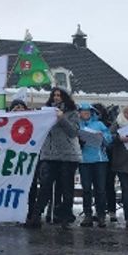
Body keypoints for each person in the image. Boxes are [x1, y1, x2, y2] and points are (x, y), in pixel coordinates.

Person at [26, 87, 81, 229]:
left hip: (67, 155)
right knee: (45, 186)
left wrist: (62, 118)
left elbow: (73, 132)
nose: (56, 97)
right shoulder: (46, 111)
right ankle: (36, 216)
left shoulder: (72, 113)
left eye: (59, 95)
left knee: (66, 188)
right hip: (49, 155)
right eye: (54, 95)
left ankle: (65, 218)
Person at [77, 103, 113, 228]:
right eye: (83, 111)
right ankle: (87, 215)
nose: (85, 113)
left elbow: (109, 140)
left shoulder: (99, 124)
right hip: (84, 160)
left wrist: (102, 137)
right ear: (79, 113)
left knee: (100, 190)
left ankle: (101, 215)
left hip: (100, 160)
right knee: (86, 189)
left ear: (92, 112)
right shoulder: (77, 125)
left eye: (88, 112)